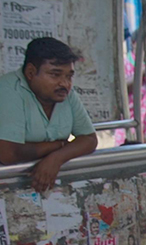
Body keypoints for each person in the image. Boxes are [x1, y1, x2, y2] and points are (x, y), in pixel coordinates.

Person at [0, 37, 97, 192]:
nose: (64, 83)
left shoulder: (65, 93)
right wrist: (60, 145)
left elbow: (90, 139)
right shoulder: (8, 90)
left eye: (68, 76)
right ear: (31, 72)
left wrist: (56, 159)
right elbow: (8, 153)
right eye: (55, 74)